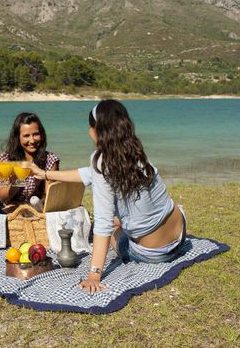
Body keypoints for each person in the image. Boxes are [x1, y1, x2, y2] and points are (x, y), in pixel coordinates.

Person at [26, 100, 187, 293]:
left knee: (111, 228)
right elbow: (89, 174)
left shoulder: (101, 162)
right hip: (180, 233)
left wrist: (94, 274)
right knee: (123, 219)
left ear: (96, 130)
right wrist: (45, 174)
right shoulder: (134, 151)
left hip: (154, 254)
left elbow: (103, 224)